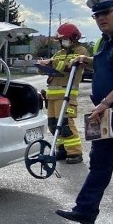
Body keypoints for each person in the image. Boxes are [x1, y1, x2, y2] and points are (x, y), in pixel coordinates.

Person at [55, 0, 113, 224]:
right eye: (97, 15)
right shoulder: (103, 41)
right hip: (105, 116)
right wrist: (86, 61)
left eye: (106, 13)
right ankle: (85, 210)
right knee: (99, 165)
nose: (101, 18)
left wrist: (105, 102)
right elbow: (106, 63)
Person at [37, 22, 89, 163]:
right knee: (54, 124)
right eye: (61, 40)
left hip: (67, 94)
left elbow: (70, 66)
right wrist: (43, 65)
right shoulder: (59, 53)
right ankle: (62, 149)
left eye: (64, 39)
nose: (62, 42)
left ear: (74, 37)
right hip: (52, 95)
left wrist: (54, 63)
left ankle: (75, 153)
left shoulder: (81, 51)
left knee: (66, 123)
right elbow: (52, 67)